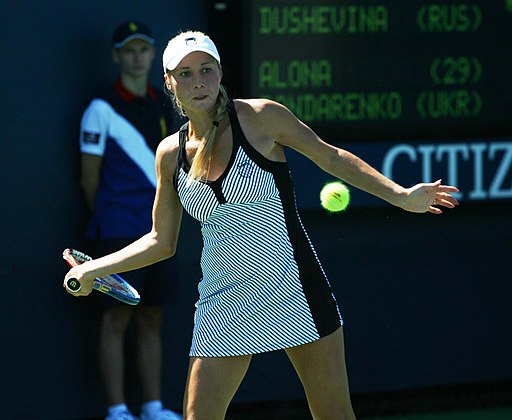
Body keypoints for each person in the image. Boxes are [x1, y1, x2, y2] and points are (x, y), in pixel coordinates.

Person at [66, 30, 459, 420]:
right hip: (223, 300)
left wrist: (401, 196)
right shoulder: (169, 154)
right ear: (169, 82)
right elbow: (160, 241)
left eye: (206, 69)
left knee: (334, 414)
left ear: (220, 72)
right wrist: (94, 269)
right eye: (184, 74)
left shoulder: (261, 117)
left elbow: (332, 158)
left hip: (295, 290)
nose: (198, 81)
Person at [78, 21, 182, 420]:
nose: (137, 56)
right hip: (118, 230)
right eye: (129, 50)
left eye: (144, 49)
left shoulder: (163, 104)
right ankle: (118, 410)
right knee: (117, 315)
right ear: (116, 56)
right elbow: (89, 179)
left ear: (152, 56)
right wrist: (111, 218)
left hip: (160, 229)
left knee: (152, 315)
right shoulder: (99, 110)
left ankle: (153, 407)